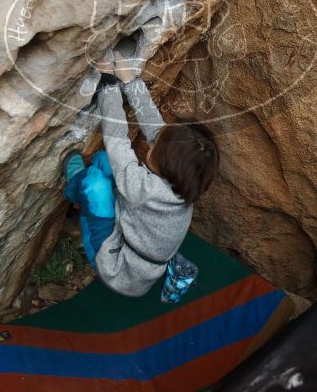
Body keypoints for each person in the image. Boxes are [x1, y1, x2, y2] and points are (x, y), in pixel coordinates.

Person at [62, 51, 219, 297]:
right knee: (103, 162)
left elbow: (117, 140)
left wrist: (108, 83)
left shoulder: (146, 191)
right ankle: (87, 200)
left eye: (156, 145)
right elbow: (154, 128)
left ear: (166, 162)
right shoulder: (185, 185)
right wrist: (130, 80)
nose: (153, 142)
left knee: (95, 184)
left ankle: (72, 185)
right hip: (138, 251)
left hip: (117, 269)